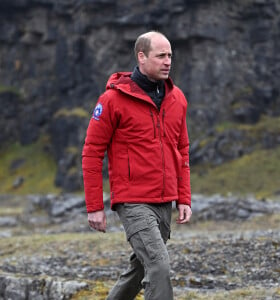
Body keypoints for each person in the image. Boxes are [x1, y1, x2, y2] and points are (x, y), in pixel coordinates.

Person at [82, 31, 192, 300]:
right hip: (132, 201)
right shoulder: (111, 101)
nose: (168, 62)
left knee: (140, 268)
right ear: (141, 57)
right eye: (161, 56)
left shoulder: (177, 98)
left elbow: (182, 151)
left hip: (164, 200)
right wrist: (95, 207)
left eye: (170, 56)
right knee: (159, 266)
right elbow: (92, 154)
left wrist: (184, 197)